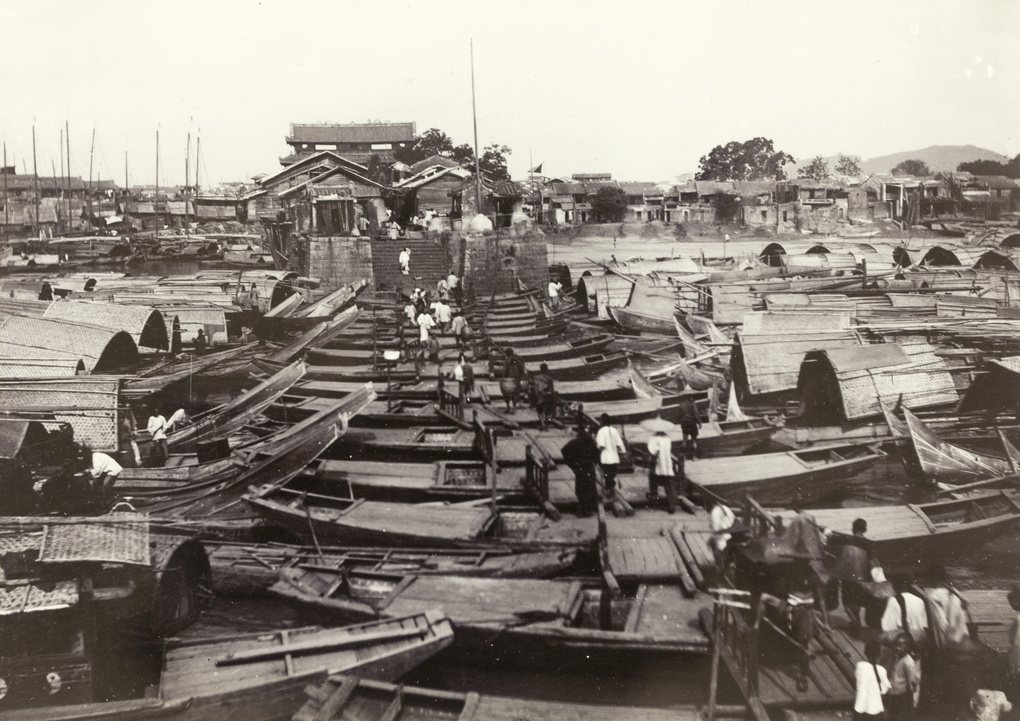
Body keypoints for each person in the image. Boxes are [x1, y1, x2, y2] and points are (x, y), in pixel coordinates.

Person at [831, 518, 873, 631]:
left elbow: (833, 541)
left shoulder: (848, 539)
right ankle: (855, 623)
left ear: (853, 528)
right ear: (865, 530)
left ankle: (856, 625)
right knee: (856, 603)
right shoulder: (869, 544)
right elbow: (872, 561)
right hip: (862, 578)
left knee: (847, 603)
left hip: (849, 577)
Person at [561, 428, 599, 517]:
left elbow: (564, 450)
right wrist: (594, 461)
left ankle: (582, 509)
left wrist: (570, 463)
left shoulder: (574, 442)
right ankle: (586, 510)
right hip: (588, 468)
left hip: (579, 468)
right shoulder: (591, 443)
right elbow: (597, 454)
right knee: (589, 488)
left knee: (580, 488)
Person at [881, 580, 930, 649]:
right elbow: (924, 626)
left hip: (903, 640)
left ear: (895, 587)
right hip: (919, 639)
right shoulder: (920, 600)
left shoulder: (893, 600)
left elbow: (887, 626)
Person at [887, 632, 921, 720]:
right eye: (895, 645)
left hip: (902, 696)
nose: (896, 648)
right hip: (894, 695)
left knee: (902, 717)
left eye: (899, 646)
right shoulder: (897, 658)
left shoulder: (908, 662)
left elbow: (912, 684)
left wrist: (912, 702)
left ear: (908, 647)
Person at [854, 639, 890, 720]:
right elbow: (883, 690)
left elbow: (857, 679)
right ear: (880, 654)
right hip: (875, 708)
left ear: (865, 652)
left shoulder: (860, 666)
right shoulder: (882, 670)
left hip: (860, 706)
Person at [646, 428, 678, 513]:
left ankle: (653, 498)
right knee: (669, 485)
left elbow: (653, 452)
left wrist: (651, 459)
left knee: (653, 480)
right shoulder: (667, 437)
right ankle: (671, 505)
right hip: (667, 464)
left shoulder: (653, 438)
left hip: (658, 464)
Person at [595, 413, 626, 499]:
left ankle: (609, 493)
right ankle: (612, 492)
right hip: (614, 458)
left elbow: (601, 445)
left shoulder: (601, 431)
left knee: (607, 476)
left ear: (602, 421)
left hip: (606, 458)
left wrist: (597, 454)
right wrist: (623, 452)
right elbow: (619, 444)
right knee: (612, 475)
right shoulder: (614, 430)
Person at [676, 388, 701, 460]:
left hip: (684, 423)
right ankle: (694, 457)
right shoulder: (692, 403)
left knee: (684, 440)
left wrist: (681, 422)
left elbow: (679, 415)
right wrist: (699, 422)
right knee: (694, 440)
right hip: (692, 422)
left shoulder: (681, 403)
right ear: (689, 395)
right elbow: (696, 413)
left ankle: (684, 457)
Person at [500, 348, 528, 413]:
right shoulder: (518, 359)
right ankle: (514, 408)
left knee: (506, 393)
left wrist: (503, 379)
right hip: (517, 379)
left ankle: (508, 407)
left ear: (506, 354)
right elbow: (522, 369)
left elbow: (505, 371)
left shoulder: (508, 360)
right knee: (515, 393)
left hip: (510, 379)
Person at [532, 362, 556, 429]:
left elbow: (535, 389)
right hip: (548, 396)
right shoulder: (549, 378)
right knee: (548, 411)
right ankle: (547, 424)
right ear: (547, 369)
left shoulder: (536, 378)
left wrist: (536, 396)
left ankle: (543, 424)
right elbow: (552, 389)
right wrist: (553, 396)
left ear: (540, 369)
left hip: (539, 396)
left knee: (540, 410)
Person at [1008, 585, 1020, 702]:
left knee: (1016, 673)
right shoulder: (1018, 617)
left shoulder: (1018, 618)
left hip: (1017, 648)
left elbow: (1013, 639)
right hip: (1017, 647)